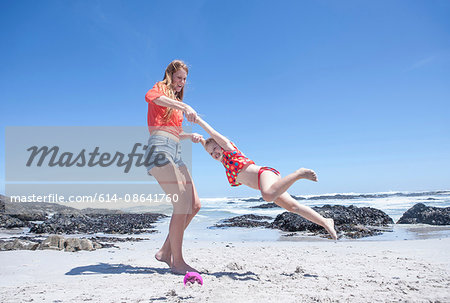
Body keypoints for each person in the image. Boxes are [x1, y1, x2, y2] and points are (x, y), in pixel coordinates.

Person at [195, 117, 338, 240]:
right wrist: (200, 140)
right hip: (267, 184)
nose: (214, 153)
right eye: (210, 154)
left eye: (215, 149)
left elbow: (212, 133)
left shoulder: (229, 150)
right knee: (293, 207)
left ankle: (299, 173)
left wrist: (198, 121)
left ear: (221, 145)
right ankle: (325, 222)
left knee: (268, 195)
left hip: (265, 174)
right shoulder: (223, 162)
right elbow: (207, 145)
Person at [145, 60, 203, 274]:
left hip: (176, 150)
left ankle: (164, 252)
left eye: (185, 79)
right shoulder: (160, 88)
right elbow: (150, 97)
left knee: (194, 205)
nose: (182, 82)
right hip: (159, 148)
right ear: (170, 75)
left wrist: (190, 136)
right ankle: (177, 262)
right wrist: (185, 105)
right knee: (180, 203)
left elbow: (175, 132)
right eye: (179, 77)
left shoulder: (175, 106)